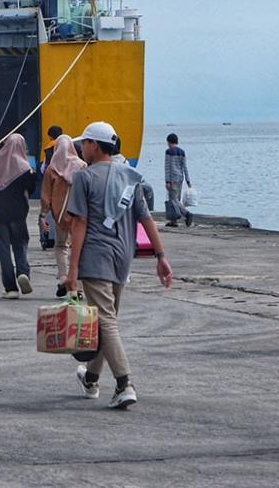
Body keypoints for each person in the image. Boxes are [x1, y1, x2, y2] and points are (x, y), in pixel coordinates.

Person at [65, 121, 172, 409]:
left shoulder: (84, 179)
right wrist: (161, 256)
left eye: (85, 143)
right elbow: (146, 218)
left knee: (106, 321)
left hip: (95, 256)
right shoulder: (130, 177)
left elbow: (80, 222)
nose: (82, 147)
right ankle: (91, 378)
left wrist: (72, 268)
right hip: (123, 257)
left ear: (95, 146)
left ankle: (125, 384)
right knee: (107, 319)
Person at [0, 133, 36, 298]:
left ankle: (10, 288)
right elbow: (31, 188)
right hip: (18, 212)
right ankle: (22, 272)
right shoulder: (24, 167)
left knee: (4, 249)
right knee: (20, 244)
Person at [41, 134, 88, 297]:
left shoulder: (52, 168)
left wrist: (42, 215)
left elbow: (46, 195)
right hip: (79, 214)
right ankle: (78, 286)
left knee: (61, 246)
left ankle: (63, 278)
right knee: (78, 249)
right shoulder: (82, 166)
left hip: (59, 215)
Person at [164, 133, 193, 227]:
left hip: (172, 179)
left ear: (169, 142)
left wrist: (167, 181)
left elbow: (167, 167)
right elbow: (185, 167)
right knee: (177, 199)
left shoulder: (168, 152)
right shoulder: (182, 152)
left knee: (173, 200)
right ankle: (174, 221)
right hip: (180, 178)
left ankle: (187, 214)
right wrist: (188, 180)